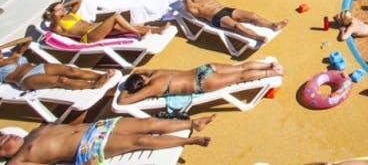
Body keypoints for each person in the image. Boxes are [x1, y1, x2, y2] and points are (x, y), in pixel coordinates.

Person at [0, 115, 214, 164]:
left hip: (95, 128)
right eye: (3, 141)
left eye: (3, 133)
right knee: (140, 140)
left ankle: (192, 124)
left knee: (149, 123)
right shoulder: (18, 161)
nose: (8, 134)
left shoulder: (32, 133)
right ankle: (190, 141)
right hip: (87, 146)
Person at [118, 60, 283, 104]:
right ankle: (269, 65)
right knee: (240, 68)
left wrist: (127, 88)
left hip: (202, 83)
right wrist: (135, 76)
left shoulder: (154, 87)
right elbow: (139, 71)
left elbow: (123, 101)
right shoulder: (156, 74)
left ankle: (271, 72)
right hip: (203, 69)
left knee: (240, 77)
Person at [182, 0, 288, 43]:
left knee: (252, 15)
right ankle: (258, 37)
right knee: (237, 26)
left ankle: (273, 25)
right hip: (216, 17)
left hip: (226, 10)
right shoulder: (192, 6)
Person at [0, 36, 116, 91]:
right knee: (61, 80)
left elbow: (28, 39)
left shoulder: (13, 55)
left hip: (38, 68)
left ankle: (99, 76)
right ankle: (93, 85)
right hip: (25, 80)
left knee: (71, 70)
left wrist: (3, 46)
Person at [44, 0, 162, 42]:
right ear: (53, 13)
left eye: (62, 8)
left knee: (122, 27)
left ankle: (157, 30)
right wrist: (56, 11)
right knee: (116, 17)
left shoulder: (70, 15)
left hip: (97, 28)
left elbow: (79, 0)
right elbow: (55, 16)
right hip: (89, 36)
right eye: (59, 9)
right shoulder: (56, 26)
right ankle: (139, 34)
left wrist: (64, 6)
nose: (62, 10)